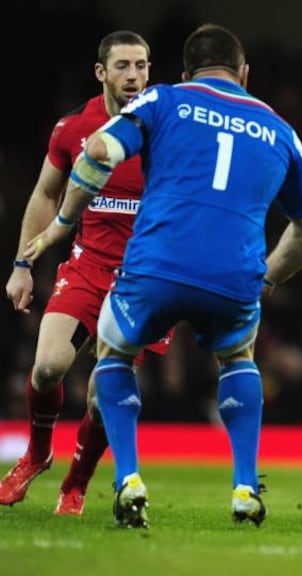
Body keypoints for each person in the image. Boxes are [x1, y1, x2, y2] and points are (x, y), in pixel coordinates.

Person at [23, 23, 302, 528]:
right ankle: (245, 486)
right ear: (244, 74)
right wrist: (266, 280)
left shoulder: (164, 99)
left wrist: (60, 224)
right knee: (238, 358)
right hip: (233, 275)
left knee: (114, 355)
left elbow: (98, 152)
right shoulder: (279, 128)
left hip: (155, 267)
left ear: (185, 74)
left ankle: (128, 478)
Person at [0, 30, 173, 517]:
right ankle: (37, 455)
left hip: (142, 280)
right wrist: (22, 265)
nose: (134, 75)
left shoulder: (166, 128)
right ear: (101, 72)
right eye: (123, 66)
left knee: (101, 398)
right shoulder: (74, 128)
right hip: (88, 266)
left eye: (141, 65)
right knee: (47, 367)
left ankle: (76, 483)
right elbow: (44, 195)